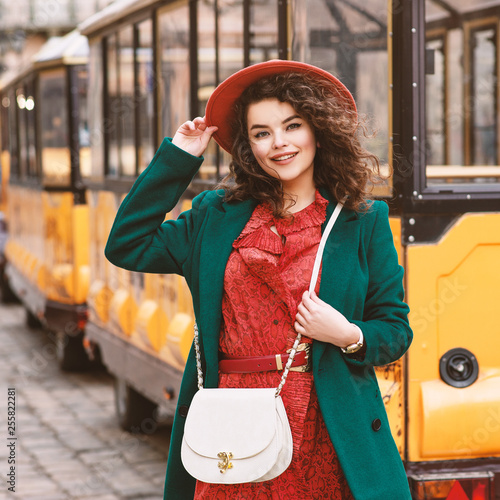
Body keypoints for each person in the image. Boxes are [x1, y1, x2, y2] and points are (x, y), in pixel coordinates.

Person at [105, 59, 413, 499]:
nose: (279, 144)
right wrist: (179, 157)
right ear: (248, 145)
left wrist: (347, 334)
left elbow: (395, 330)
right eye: (261, 133)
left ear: (318, 131)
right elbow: (126, 244)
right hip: (229, 423)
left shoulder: (361, 221)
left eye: (292, 126)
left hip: (326, 425)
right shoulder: (215, 216)